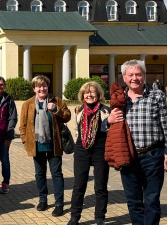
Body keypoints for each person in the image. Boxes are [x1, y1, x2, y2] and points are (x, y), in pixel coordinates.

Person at [108, 59, 167, 225]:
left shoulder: (156, 95)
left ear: (144, 76)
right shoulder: (119, 99)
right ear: (124, 77)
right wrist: (107, 121)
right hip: (128, 156)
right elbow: (111, 129)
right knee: (133, 200)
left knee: (151, 200)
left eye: (138, 74)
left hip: (153, 155)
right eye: (130, 75)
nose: (134, 78)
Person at [19, 75, 71, 217]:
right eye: (39, 86)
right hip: (36, 145)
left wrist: (56, 110)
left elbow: (67, 116)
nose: (42, 88)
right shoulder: (28, 104)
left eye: (44, 86)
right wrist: (25, 141)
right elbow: (22, 125)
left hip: (54, 144)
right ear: (34, 88)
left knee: (56, 174)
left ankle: (59, 203)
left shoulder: (57, 101)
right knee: (40, 173)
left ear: (48, 87)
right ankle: (43, 199)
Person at [67, 82, 110, 225]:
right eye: (86, 92)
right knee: (79, 185)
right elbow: (76, 130)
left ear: (98, 94)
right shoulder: (79, 110)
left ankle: (99, 218)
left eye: (92, 92)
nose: (89, 95)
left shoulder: (106, 111)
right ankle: (74, 217)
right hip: (82, 150)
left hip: (100, 150)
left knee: (100, 186)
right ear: (82, 95)